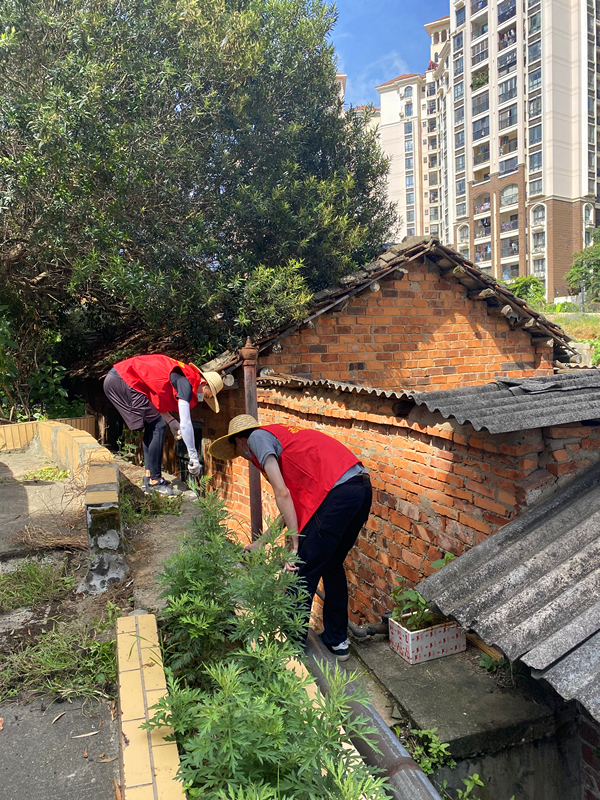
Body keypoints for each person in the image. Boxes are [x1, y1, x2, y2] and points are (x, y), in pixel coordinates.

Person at [209, 415, 372, 660]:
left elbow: (281, 493)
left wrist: (295, 546)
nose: (246, 458)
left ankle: (290, 650)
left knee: (301, 568)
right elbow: (290, 506)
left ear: (240, 442)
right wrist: (263, 541)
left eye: (239, 454)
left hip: (336, 493)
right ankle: (337, 640)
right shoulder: (284, 439)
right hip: (360, 488)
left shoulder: (256, 438)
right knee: (331, 564)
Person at [104, 354, 223, 495]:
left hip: (117, 379)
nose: (203, 398)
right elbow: (186, 423)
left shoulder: (181, 375)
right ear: (204, 383)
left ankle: (149, 478)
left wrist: (171, 421)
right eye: (207, 395)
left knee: (153, 424)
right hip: (123, 380)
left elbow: (154, 403)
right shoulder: (186, 383)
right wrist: (194, 457)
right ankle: (156, 482)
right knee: (158, 426)